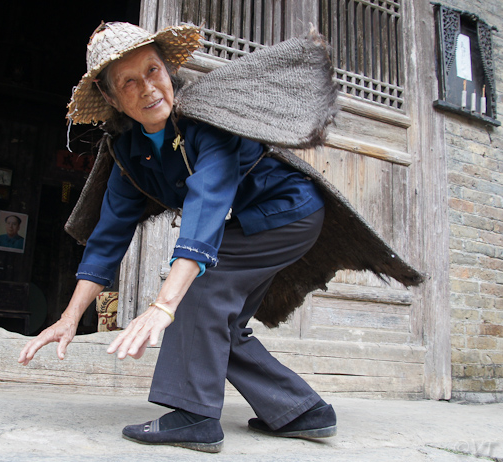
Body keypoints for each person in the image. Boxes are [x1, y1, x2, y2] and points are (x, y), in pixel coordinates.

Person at [18, 22, 336, 453]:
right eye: (129, 82)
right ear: (111, 98)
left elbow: (206, 206)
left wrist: (164, 305)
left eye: (153, 71)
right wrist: (71, 316)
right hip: (254, 221)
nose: (148, 88)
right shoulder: (128, 151)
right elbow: (108, 237)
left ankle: (194, 415)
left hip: (287, 213)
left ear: (168, 70)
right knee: (222, 323)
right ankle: (302, 410)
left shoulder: (206, 120)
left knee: (193, 292)